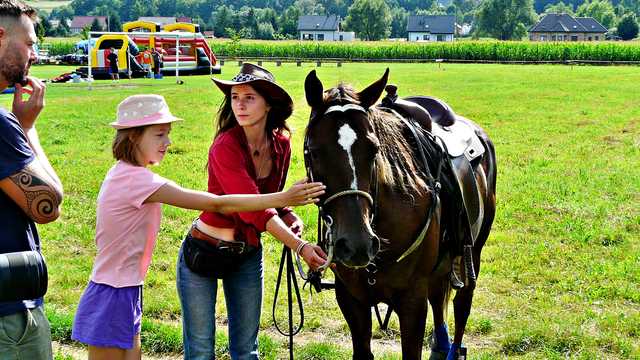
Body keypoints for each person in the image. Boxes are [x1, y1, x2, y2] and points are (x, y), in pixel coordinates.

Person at [71, 94, 324, 360]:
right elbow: (218, 204)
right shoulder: (135, 180)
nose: (168, 142)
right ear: (133, 136)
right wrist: (284, 198)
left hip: (126, 288)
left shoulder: (130, 175)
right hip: (113, 291)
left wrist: (283, 209)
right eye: (159, 135)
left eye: (167, 134)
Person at [176, 63, 327, 360]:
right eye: (235, 97)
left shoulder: (281, 145)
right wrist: (298, 245)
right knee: (201, 352)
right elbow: (251, 208)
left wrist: (287, 213)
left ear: (268, 104)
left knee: (247, 352)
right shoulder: (225, 146)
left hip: (246, 255)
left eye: (249, 97)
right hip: (202, 252)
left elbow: (267, 202)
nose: (240, 105)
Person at [0, 1, 64, 359]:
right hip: (8, 318)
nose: (34, 55)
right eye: (29, 43)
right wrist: (27, 128)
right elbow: (48, 205)